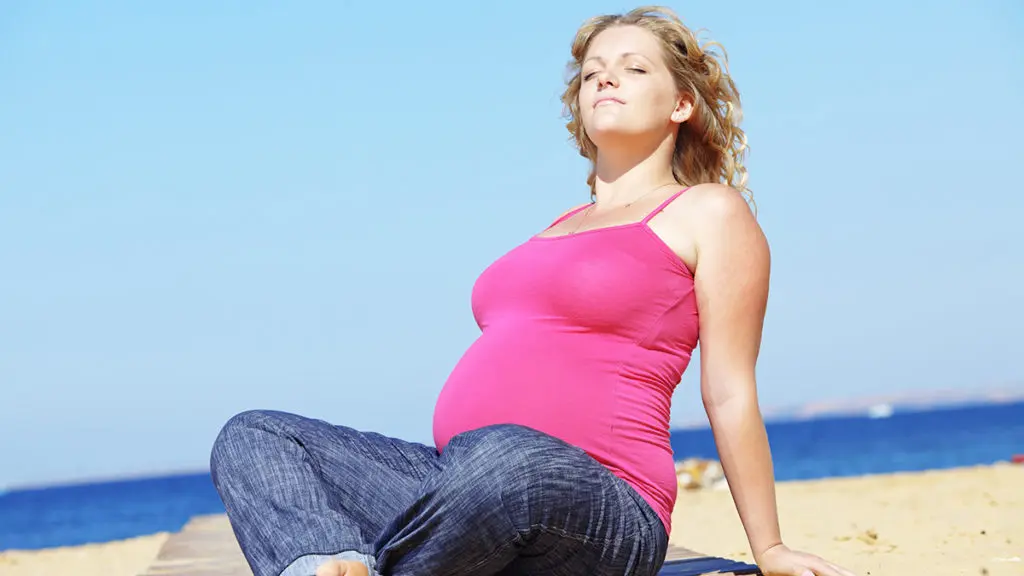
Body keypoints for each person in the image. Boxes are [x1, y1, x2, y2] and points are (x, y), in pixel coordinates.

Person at [210, 6, 859, 576]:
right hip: (460, 488)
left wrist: (768, 547)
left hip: (603, 502)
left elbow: (728, 388)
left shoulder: (707, 212)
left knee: (509, 455)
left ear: (682, 103)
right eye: (592, 71)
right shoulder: (553, 229)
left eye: (634, 68)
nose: (604, 77)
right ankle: (322, 568)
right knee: (256, 435)